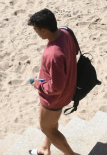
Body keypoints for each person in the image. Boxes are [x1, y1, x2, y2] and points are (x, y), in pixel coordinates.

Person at [27, 9, 78, 155]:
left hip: (54, 99)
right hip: (68, 90)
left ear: (44, 30)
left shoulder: (53, 54)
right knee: (52, 125)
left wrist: (37, 84)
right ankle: (44, 148)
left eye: (36, 30)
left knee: (47, 128)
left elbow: (55, 87)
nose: (36, 33)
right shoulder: (66, 33)